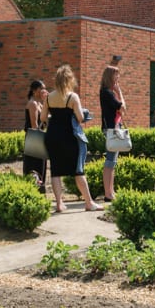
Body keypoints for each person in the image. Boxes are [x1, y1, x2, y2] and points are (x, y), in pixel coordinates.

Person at [41, 65, 102, 212]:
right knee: (78, 170)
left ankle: (59, 204)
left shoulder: (49, 97)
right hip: (70, 136)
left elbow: (43, 118)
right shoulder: (72, 97)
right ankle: (89, 202)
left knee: (55, 171)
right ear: (70, 80)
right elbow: (80, 118)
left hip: (53, 136)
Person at [99, 65, 125, 201]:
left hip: (113, 128)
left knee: (112, 161)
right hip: (110, 129)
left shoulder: (108, 92)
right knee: (110, 161)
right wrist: (119, 92)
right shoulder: (107, 93)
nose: (118, 77)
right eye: (116, 75)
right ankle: (108, 194)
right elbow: (122, 108)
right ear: (110, 76)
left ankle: (111, 192)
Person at [24, 80, 48, 192]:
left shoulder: (40, 104)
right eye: (41, 88)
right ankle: (33, 190)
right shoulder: (32, 104)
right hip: (34, 139)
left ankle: (40, 191)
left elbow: (45, 121)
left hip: (39, 138)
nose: (44, 90)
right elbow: (34, 125)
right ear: (34, 91)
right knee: (34, 167)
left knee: (41, 166)